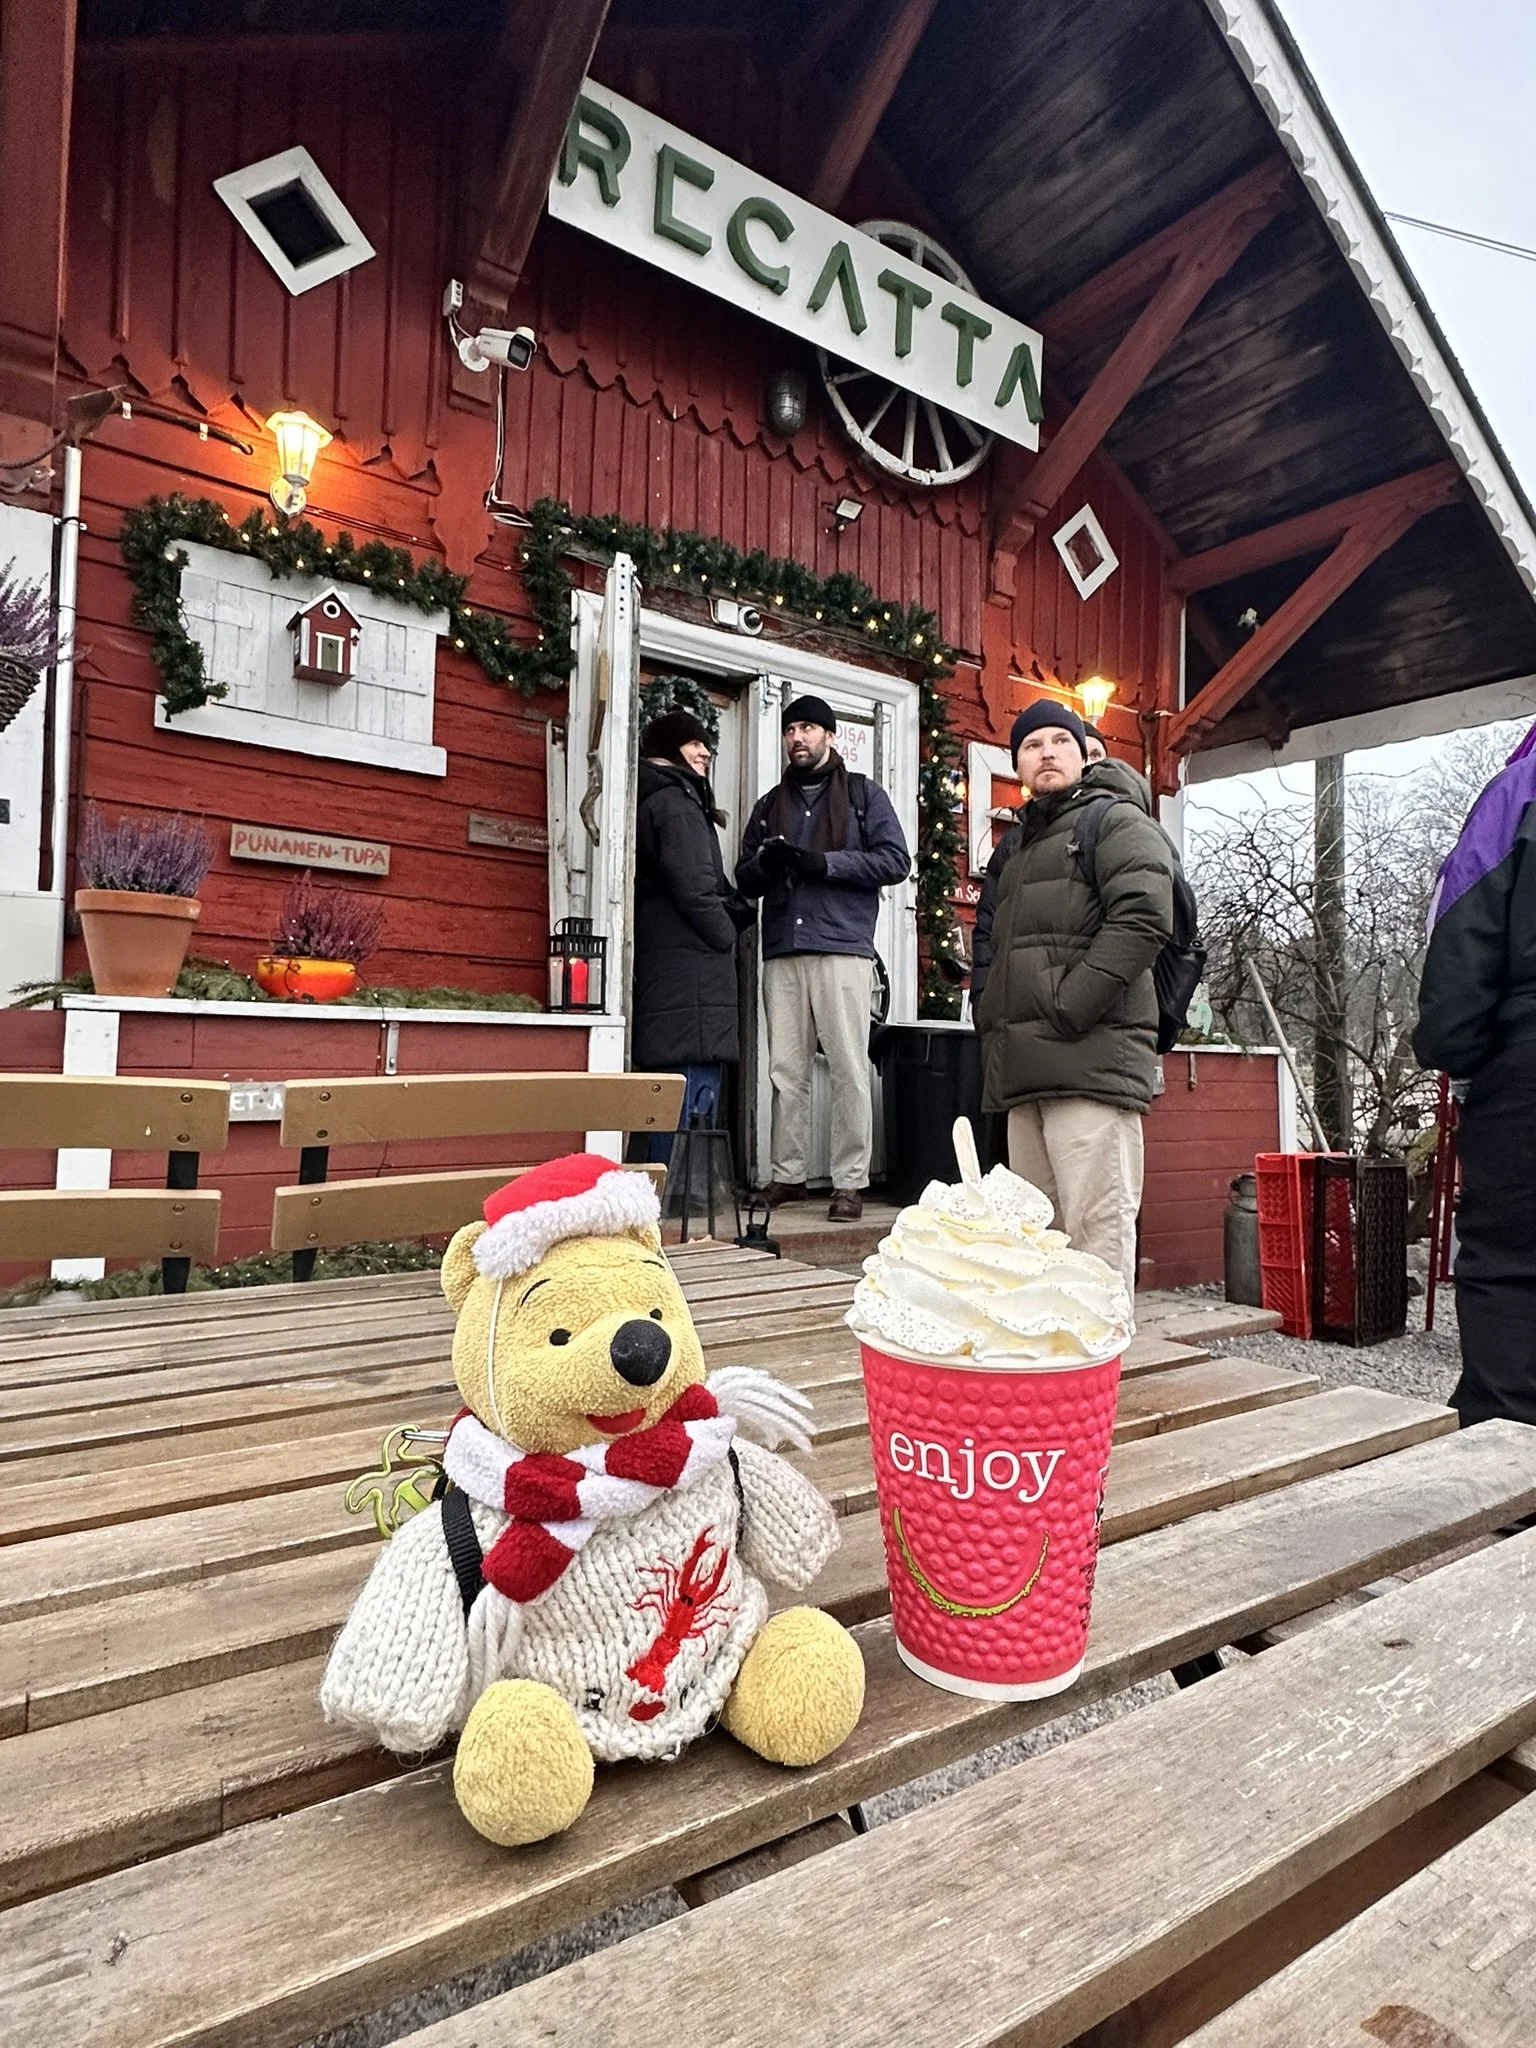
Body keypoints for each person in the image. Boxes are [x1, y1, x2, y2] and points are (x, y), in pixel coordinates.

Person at [970, 700, 1174, 1295]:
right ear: (1017, 764)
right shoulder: (1014, 847)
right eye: (1032, 746)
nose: (1047, 752)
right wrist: (990, 1013)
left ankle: (1103, 1376)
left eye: (1061, 741)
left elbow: (1144, 915)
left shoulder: (1113, 821)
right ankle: (1054, 1375)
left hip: (1091, 1063)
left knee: (1097, 1235)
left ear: (1086, 754)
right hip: (1024, 1070)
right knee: (1036, 1237)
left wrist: (1070, 1003)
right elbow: (988, 941)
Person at [737, 694, 910, 1220]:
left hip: (842, 949)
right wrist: (767, 866)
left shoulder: (863, 795)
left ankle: (850, 1183)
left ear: (831, 736)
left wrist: (823, 864)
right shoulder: (769, 805)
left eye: (809, 728)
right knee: (785, 1072)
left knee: (849, 1069)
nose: (797, 738)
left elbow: (895, 860)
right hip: (783, 951)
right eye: (791, 729)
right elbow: (744, 876)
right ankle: (787, 1176)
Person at [1413, 722, 1536, 1426]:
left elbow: (1465, 930)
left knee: (1512, 1262)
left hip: (1526, 1059)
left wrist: (1455, 1046)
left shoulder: (1518, 790)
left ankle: (1508, 1480)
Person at [631, 709, 742, 1158]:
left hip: (668, 970)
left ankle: (647, 1202)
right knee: (687, 1101)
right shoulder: (677, 802)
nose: (705, 751)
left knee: (658, 1100)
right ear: (669, 749)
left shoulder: (653, 797)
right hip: (692, 974)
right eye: (695, 742)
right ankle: (672, 1208)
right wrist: (727, 934)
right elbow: (696, 887)